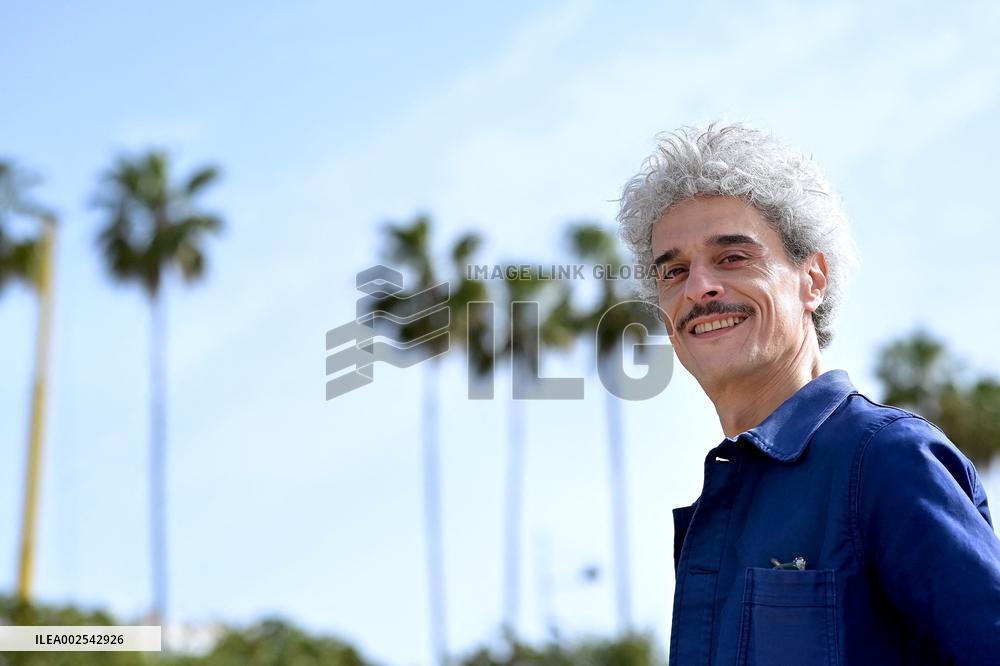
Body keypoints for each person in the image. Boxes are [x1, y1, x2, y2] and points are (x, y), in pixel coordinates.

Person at [617, 124, 1000, 665]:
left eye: (732, 258)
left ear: (812, 279)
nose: (698, 287)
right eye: (674, 271)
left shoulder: (885, 458)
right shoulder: (723, 501)